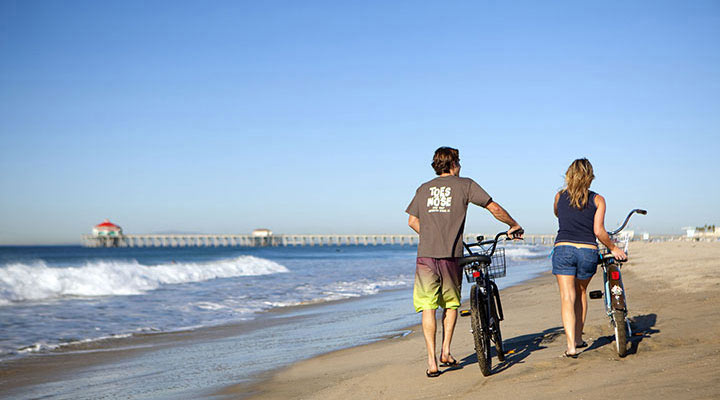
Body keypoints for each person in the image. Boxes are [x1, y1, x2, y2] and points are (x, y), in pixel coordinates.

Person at [406, 147, 523, 377]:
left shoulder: (423, 189)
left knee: (428, 307)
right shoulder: (465, 184)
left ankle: (432, 363)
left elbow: (412, 221)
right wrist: (513, 224)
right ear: (454, 164)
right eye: (458, 162)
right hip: (451, 255)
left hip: (426, 256)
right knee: (450, 304)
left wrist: (431, 236)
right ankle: (446, 352)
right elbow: (494, 208)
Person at [552, 158, 627, 358]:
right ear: (590, 177)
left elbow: (557, 213)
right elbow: (598, 231)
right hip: (587, 251)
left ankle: (571, 347)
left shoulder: (559, 196)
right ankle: (578, 337)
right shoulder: (598, 199)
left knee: (567, 297)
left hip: (563, 248)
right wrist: (613, 247)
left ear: (569, 175)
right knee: (581, 292)